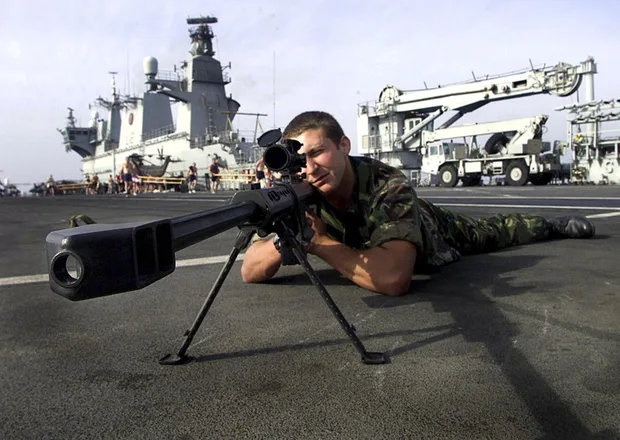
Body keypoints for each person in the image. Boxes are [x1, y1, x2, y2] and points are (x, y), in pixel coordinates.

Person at [240, 111, 595, 297]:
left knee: (495, 231)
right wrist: (286, 235)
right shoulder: (300, 191)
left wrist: (317, 243)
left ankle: (552, 224)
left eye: (318, 152)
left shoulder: (386, 182)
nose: (311, 167)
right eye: (301, 160)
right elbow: (250, 271)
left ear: (343, 145)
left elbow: (394, 279)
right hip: (366, 247)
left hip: (429, 228)